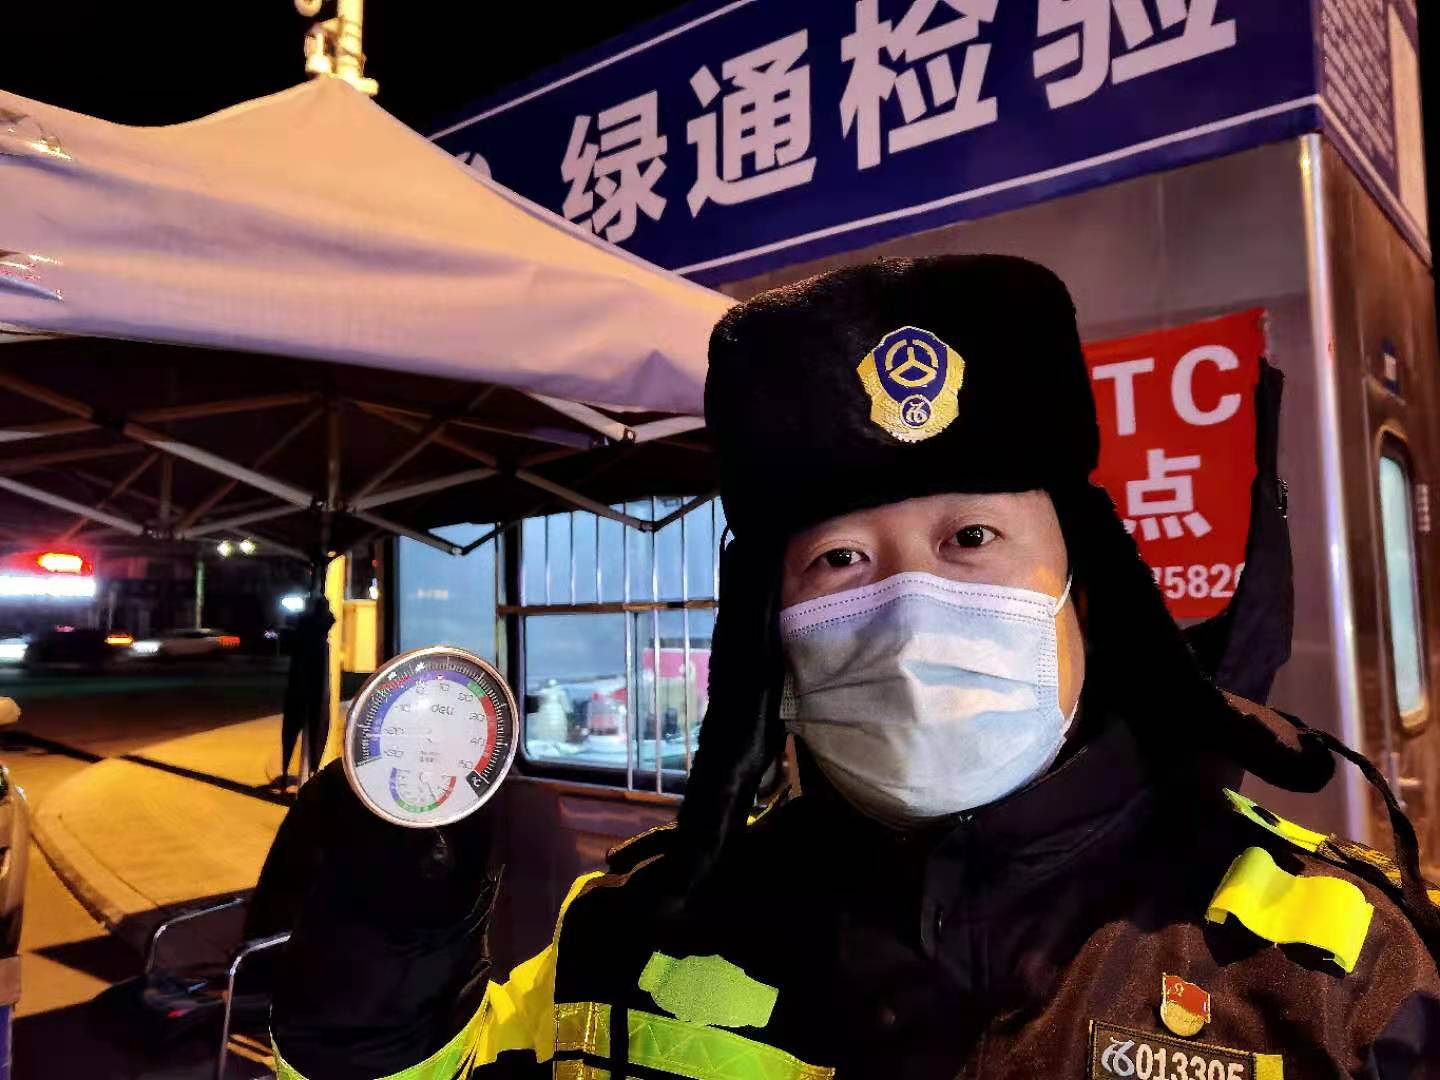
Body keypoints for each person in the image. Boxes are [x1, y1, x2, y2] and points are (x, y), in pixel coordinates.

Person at [272, 256, 1440, 1079]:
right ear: (768, 631)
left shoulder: (1333, 962)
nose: (906, 604)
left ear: (1086, 593)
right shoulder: (634, 929)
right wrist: (383, 972)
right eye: (839, 559)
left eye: (970, 537)